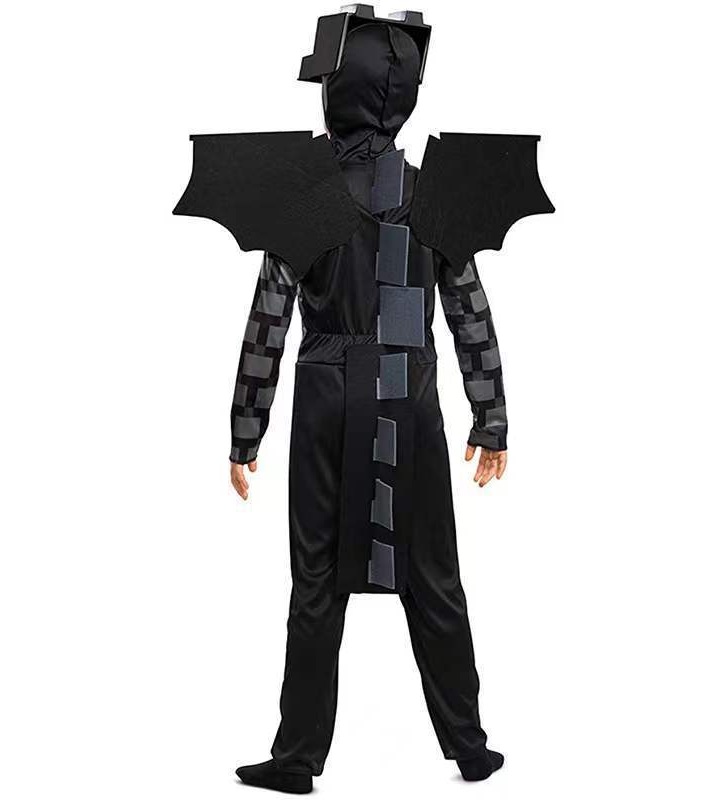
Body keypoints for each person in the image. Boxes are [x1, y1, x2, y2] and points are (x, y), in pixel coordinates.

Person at [227, 21, 508, 795]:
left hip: (327, 395)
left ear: (335, 92)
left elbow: (267, 322)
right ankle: (471, 747)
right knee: (434, 575)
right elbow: (469, 312)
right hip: (408, 394)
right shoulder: (433, 193)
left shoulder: (306, 193)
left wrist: (245, 432)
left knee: (315, 581)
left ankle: (296, 759)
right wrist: (491, 418)